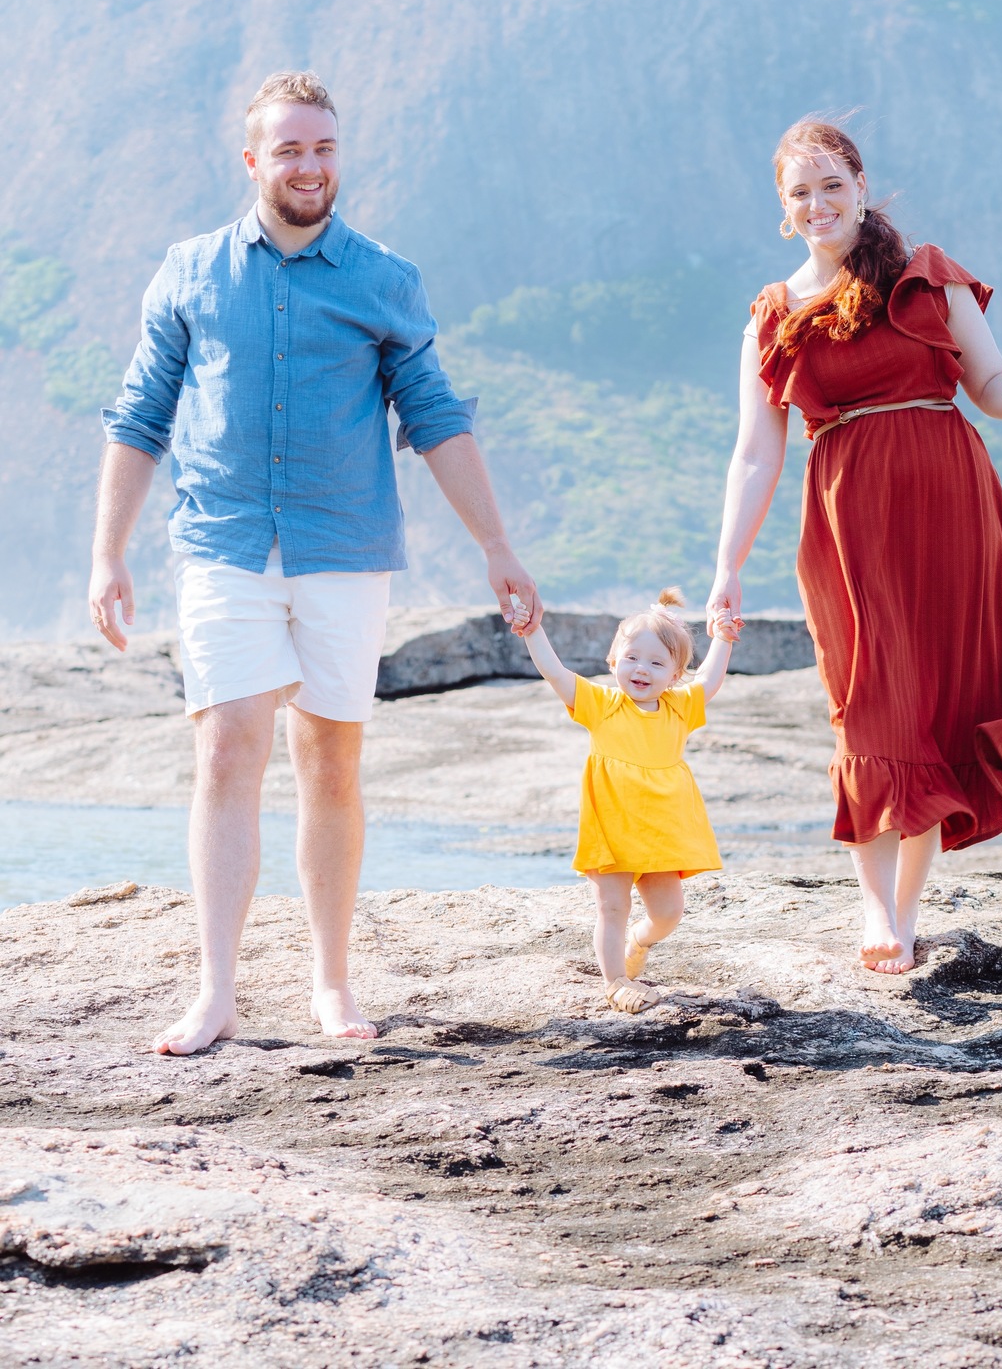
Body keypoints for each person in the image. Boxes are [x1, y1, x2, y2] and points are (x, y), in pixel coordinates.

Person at [89, 70, 541, 1054]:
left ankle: (331, 984)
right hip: (221, 544)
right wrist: (107, 554)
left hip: (346, 551)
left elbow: (435, 419)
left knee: (330, 760)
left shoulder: (384, 278)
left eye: (324, 147)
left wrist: (497, 547)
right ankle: (215, 993)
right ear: (252, 160)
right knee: (226, 750)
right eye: (288, 149)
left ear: (341, 156)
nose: (308, 165)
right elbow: (138, 416)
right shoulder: (190, 272)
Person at [706, 117, 1002, 975]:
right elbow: (754, 454)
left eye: (832, 185)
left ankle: (903, 909)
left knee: (933, 708)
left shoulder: (931, 280)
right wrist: (727, 566)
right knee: (869, 706)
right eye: (800, 193)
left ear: (861, 185)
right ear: (783, 209)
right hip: (847, 521)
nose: (818, 203)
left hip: (952, 511)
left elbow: (985, 386)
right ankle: (872, 904)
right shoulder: (775, 316)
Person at [512, 588, 736, 1012]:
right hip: (612, 826)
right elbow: (555, 672)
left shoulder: (679, 707)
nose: (641, 669)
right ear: (613, 659)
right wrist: (533, 631)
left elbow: (709, 679)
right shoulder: (602, 705)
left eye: (656, 663)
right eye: (632, 657)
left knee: (669, 913)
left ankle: (640, 940)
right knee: (612, 906)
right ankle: (615, 981)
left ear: (674, 675)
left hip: (662, 828)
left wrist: (723, 636)